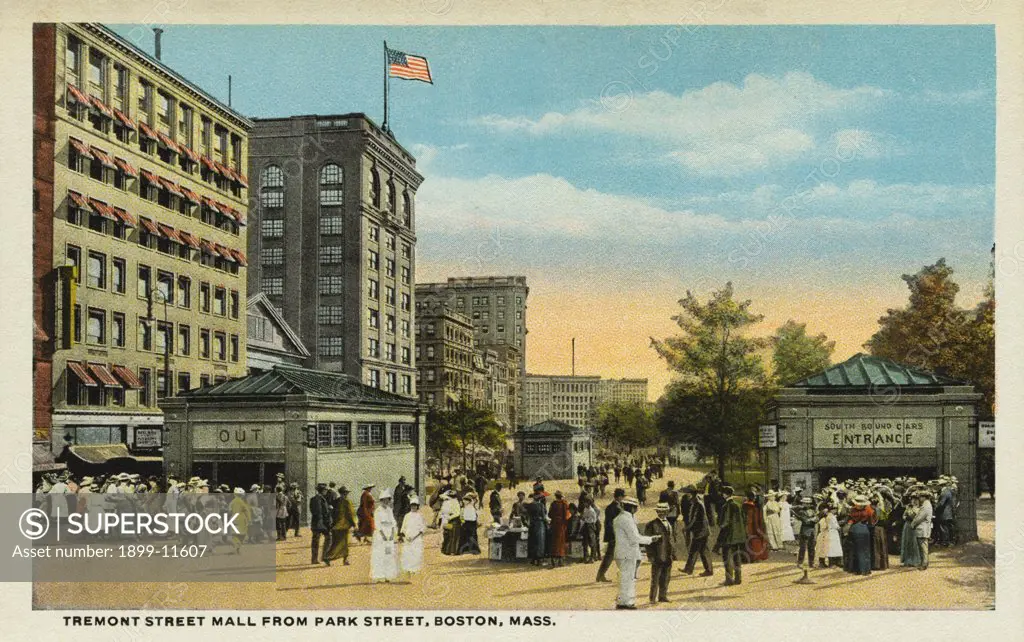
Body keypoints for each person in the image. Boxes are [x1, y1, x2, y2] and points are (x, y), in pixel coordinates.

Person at [613, 497, 656, 609]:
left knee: (624, 578)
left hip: (621, 552)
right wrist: (650, 539)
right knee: (629, 578)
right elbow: (634, 538)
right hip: (628, 553)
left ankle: (622, 601)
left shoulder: (618, 518)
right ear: (632, 508)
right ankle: (627, 602)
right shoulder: (627, 520)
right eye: (635, 507)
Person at [644, 502, 675, 604]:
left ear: (667, 512)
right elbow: (648, 542)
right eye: (660, 511)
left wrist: (673, 553)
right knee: (655, 578)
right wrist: (650, 556)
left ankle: (663, 596)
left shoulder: (669, 523)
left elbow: (671, 539)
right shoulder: (651, 524)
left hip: (667, 555)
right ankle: (652, 599)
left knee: (666, 577)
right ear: (657, 512)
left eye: (664, 511)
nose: (662, 513)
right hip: (657, 555)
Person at [681, 485, 714, 576]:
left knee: (698, 551)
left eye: (688, 493)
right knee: (699, 550)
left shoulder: (698, 504)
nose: (687, 495)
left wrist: (686, 528)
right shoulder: (694, 503)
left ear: (692, 494)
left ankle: (706, 570)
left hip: (701, 531)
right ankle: (690, 569)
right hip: (700, 531)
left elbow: (694, 519)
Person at [717, 485, 747, 585]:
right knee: (737, 557)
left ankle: (729, 579)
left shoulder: (726, 506)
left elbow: (724, 522)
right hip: (738, 536)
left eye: (723, 493)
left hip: (728, 535)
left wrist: (720, 525)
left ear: (725, 494)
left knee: (726, 558)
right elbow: (743, 519)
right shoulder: (738, 504)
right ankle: (738, 579)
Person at [596, 488, 626, 582]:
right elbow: (612, 523)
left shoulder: (614, 506)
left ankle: (601, 575)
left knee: (614, 556)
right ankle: (600, 575)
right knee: (610, 556)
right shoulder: (616, 508)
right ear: (619, 497)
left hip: (614, 535)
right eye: (622, 497)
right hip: (615, 535)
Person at [371, 489, 400, 583]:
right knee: (379, 554)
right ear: (381, 500)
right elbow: (377, 524)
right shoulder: (377, 511)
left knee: (389, 554)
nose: (386, 502)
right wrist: (383, 535)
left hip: (389, 533)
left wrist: (392, 533)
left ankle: (388, 575)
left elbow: (393, 522)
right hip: (380, 534)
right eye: (384, 500)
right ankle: (379, 575)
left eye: (388, 500)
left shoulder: (389, 510)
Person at [325, 486, 356, 565]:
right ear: (345, 493)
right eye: (346, 493)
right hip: (343, 526)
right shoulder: (347, 502)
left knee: (336, 542)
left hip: (336, 525)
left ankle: (341, 559)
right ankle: (329, 557)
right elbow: (351, 514)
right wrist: (354, 524)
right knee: (343, 543)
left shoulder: (336, 501)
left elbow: (332, 512)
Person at [847, 494, 875, 576]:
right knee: (864, 550)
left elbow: (850, 519)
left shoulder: (853, 510)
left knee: (857, 550)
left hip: (856, 529)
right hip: (864, 529)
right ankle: (865, 569)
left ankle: (858, 570)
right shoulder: (868, 510)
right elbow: (871, 522)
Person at [400, 495, 426, 575]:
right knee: (407, 553)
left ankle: (414, 569)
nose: (413, 507)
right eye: (412, 505)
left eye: (415, 505)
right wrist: (406, 536)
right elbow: (403, 528)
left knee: (416, 553)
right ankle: (407, 568)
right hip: (408, 538)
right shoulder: (407, 516)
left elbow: (422, 529)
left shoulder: (420, 516)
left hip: (416, 538)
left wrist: (415, 537)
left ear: (417, 506)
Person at [743, 489, 770, 562]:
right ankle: (755, 558)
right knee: (755, 542)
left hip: (747, 526)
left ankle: (749, 558)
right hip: (753, 527)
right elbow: (757, 520)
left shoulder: (744, 506)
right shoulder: (755, 508)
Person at [309, 483, 332, 566]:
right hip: (320, 524)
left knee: (316, 541)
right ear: (322, 491)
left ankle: (315, 559)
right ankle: (324, 556)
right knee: (327, 538)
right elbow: (319, 512)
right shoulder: (319, 499)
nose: (326, 491)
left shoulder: (315, 499)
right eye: (325, 490)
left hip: (317, 523)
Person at [525, 490, 549, 566]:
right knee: (540, 542)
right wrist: (547, 523)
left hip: (532, 524)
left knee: (533, 540)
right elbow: (544, 516)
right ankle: (539, 560)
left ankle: (533, 559)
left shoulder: (530, 505)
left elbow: (526, 514)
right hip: (539, 524)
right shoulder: (541, 505)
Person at [911, 490, 933, 570]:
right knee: (922, 547)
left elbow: (919, 518)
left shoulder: (926, 506)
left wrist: (913, 524)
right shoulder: (926, 505)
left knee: (923, 547)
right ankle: (923, 562)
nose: (919, 498)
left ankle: (924, 564)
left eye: (920, 497)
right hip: (922, 528)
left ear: (924, 497)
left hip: (922, 528)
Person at [548, 490, 572, 567]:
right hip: (561, 525)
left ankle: (553, 560)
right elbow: (567, 515)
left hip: (554, 524)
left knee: (554, 542)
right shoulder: (564, 504)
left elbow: (550, 514)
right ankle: (560, 561)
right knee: (561, 542)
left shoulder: (553, 504)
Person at [815, 503, 842, 568]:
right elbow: (835, 526)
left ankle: (827, 563)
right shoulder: (829, 517)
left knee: (827, 548)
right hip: (829, 533)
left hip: (829, 533)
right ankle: (828, 563)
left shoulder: (827, 516)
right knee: (829, 548)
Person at [794, 497, 818, 568]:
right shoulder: (801, 512)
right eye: (805, 503)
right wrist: (812, 519)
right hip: (804, 530)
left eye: (808, 503)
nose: (806, 505)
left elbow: (817, 519)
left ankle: (811, 562)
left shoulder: (813, 511)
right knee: (803, 547)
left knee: (812, 547)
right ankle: (800, 562)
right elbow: (806, 521)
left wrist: (812, 519)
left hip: (812, 530)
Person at [900, 494, 923, 567]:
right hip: (907, 525)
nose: (914, 501)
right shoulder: (908, 507)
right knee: (907, 542)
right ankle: (907, 560)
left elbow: (918, 516)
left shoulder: (920, 508)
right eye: (912, 499)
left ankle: (916, 561)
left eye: (915, 499)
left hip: (915, 526)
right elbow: (903, 516)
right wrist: (906, 517)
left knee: (915, 543)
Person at [228, 488, 253, 555]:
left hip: (233, 519)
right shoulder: (242, 502)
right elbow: (247, 511)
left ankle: (236, 546)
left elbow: (229, 511)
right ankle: (237, 547)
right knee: (242, 534)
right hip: (241, 520)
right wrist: (249, 520)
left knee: (234, 534)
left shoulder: (232, 502)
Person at [580, 496, 600, 563]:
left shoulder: (592, 511)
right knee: (585, 542)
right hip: (586, 525)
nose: (584, 504)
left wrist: (585, 519)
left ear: (589, 503)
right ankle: (586, 557)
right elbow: (584, 516)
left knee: (592, 542)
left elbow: (593, 520)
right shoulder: (585, 509)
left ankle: (592, 557)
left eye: (585, 502)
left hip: (590, 526)